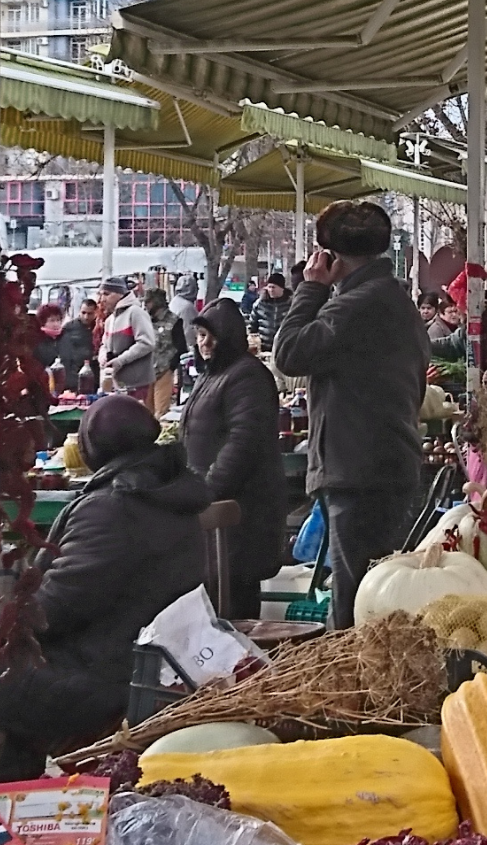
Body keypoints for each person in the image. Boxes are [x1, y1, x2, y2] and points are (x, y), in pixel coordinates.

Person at [0, 395, 209, 779]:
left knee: (2, 678)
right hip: (140, 665)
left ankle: (9, 796)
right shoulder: (167, 491)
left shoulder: (113, 506)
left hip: (103, 676)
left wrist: (3, 628)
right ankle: (16, 794)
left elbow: (61, 602)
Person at [273, 199, 428, 630]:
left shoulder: (354, 307)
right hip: (386, 462)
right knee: (373, 593)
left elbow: (288, 354)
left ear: (331, 257)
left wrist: (311, 288)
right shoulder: (395, 301)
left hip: (359, 470)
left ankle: (353, 688)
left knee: (355, 601)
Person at [182, 300, 287, 620]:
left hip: (241, 515)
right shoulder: (212, 376)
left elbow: (243, 443)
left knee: (234, 604)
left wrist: (207, 491)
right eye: (200, 335)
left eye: (212, 335)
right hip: (215, 516)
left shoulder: (246, 377)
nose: (205, 343)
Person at [97, 277, 158, 401]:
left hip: (135, 383)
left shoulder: (135, 313)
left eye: (107, 294)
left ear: (120, 294)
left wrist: (121, 360)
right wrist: (102, 355)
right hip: (115, 383)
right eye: (101, 294)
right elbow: (104, 344)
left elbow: (147, 342)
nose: (102, 299)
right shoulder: (110, 319)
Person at [142, 288, 186, 417]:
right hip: (145, 370)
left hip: (164, 370)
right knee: (144, 412)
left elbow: (181, 347)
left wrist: (171, 367)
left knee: (160, 413)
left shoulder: (174, 321)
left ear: (156, 302)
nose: (146, 305)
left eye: (148, 302)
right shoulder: (144, 319)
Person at [61, 298, 98, 394]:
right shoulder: (69, 328)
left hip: (95, 374)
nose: (86, 317)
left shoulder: (100, 326)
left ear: (96, 313)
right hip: (74, 375)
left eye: (90, 314)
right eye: (83, 313)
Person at [247, 273, 291, 353]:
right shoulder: (260, 304)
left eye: (273, 287)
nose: (271, 290)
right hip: (264, 348)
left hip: (284, 348)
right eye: (269, 287)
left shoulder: (290, 304)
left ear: (282, 288)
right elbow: (252, 326)